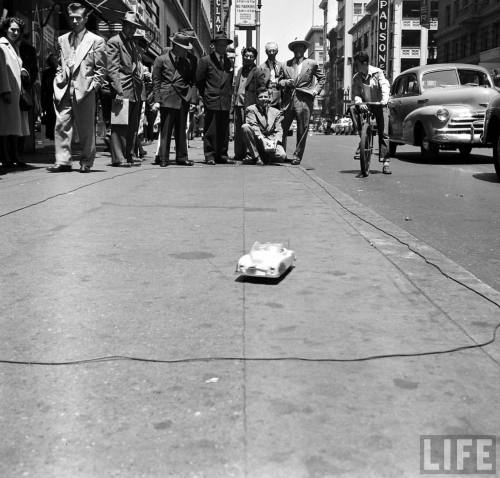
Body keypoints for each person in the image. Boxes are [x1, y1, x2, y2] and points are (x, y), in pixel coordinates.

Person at [47, 3, 106, 173]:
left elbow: (101, 69)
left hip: (85, 90)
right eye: (71, 18)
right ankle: (63, 161)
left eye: (78, 18)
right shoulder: (62, 39)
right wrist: (58, 78)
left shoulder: (96, 40)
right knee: (61, 124)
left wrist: (94, 86)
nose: (74, 21)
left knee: (86, 129)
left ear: (85, 18)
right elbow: (60, 63)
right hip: (64, 88)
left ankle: (86, 161)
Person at [107, 11, 146, 167]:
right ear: (123, 25)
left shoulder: (132, 43)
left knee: (131, 126)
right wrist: (118, 90)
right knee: (119, 125)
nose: (131, 29)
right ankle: (119, 157)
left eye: (133, 27)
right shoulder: (114, 41)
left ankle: (129, 154)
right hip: (122, 88)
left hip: (135, 90)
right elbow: (112, 68)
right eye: (129, 26)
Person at [152, 32, 194, 167]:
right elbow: (156, 81)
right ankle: (164, 158)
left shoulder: (187, 62)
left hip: (182, 99)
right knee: (166, 130)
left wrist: (190, 98)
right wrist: (157, 100)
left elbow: (191, 81)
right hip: (167, 98)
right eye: (184, 48)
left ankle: (182, 157)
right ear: (176, 46)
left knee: (182, 130)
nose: (186, 51)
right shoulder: (161, 59)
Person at [280, 38, 325, 165]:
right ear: (293, 50)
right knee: (282, 128)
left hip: (304, 100)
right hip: (288, 101)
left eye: (301, 48)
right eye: (296, 48)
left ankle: (297, 156)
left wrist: (315, 91)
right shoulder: (285, 64)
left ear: (304, 50)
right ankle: (280, 154)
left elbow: (322, 78)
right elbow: (279, 81)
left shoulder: (312, 63)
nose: (298, 50)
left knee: (302, 129)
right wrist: (284, 82)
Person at [196, 31, 235, 165]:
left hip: (224, 100)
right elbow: (200, 81)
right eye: (220, 44)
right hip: (211, 99)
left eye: (225, 45)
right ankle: (210, 155)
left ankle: (222, 154)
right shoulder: (205, 61)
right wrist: (206, 95)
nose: (222, 47)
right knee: (211, 129)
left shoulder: (229, 63)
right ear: (214, 45)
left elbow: (229, 82)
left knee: (224, 129)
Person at [350, 51, 392, 174]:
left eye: (357, 64)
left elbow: (385, 86)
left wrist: (384, 100)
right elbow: (356, 94)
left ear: (365, 63)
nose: (356, 67)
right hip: (366, 105)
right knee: (353, 109)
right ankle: (362, 138)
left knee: (383, 132)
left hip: (380, 104)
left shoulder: (377, 73)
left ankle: (385, 162)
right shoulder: (356, 77)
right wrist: (360, 103)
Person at [0, 16, 30, 169]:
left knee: (12, 127)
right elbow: (2, 70)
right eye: (12, 29)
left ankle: (14, 157)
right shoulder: (2, 45)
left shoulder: (13, 46)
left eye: (18, 30)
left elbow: (16, 65)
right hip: (7, 91)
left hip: (16, 91)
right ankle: (6, 158)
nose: (15, 32)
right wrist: (5, 90)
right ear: (6, 29)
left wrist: (23, 70)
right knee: (5, 127)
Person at [241, 87, 286, 165]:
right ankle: (256, 157)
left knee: (282, 156)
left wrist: (275, 141)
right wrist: (262, 139)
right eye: (260, 97)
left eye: (265, 96)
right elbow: (253, 125)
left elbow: (279, 129)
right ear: (256, 99)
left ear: (269, 98)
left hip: (270, 141)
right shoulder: (251, 109)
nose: (263, 99)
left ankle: (264, 156)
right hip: (258, 139)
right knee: (245, 127)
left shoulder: (276, 112)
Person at [232, 46, 258, 161]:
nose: (248, 58)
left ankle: (250, 154)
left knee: (248, 130)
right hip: (238, 104)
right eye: (246, 56)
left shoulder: (257, 71)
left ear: (254, 58)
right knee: (238, 131)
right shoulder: (240, 70)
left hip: (250, 104)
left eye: (251, 56)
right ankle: (239, 154)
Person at [255, 41, 284, 109]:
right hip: (266, 97)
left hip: (280, 97)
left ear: (277, 51)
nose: (271, 53)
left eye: (273, 51)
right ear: (266, 52)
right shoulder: (261, 67)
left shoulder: (282, 66)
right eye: (269, 51)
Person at [40, 53, 58, 140]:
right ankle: (50, 134)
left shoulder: (60, 72)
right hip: (49, 97)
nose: (54, 62)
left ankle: (56, 133)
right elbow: (43, 87)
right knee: (50, 116)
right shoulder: (46, 73)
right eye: (53, 60)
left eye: (55, 60)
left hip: (58, 96)